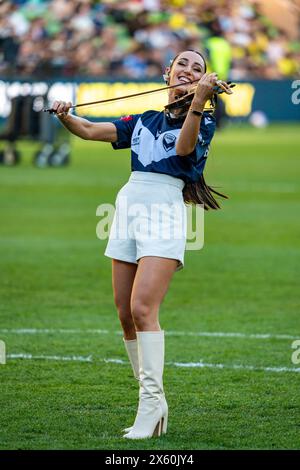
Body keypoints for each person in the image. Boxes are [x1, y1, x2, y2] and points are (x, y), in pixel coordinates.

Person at [51, 49, 233, 440]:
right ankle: (153, 401)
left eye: (198, 68)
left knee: (142, 307)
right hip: (129, 204)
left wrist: (199, 101)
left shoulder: (204, 121)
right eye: (182, 64)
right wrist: (66, 115)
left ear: (205, 79)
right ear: (168, 72)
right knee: (124, 312)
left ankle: (150, 406)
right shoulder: (143, 121)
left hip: (164, 209)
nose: (189, 70)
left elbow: (183, 150)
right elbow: (88, 130)